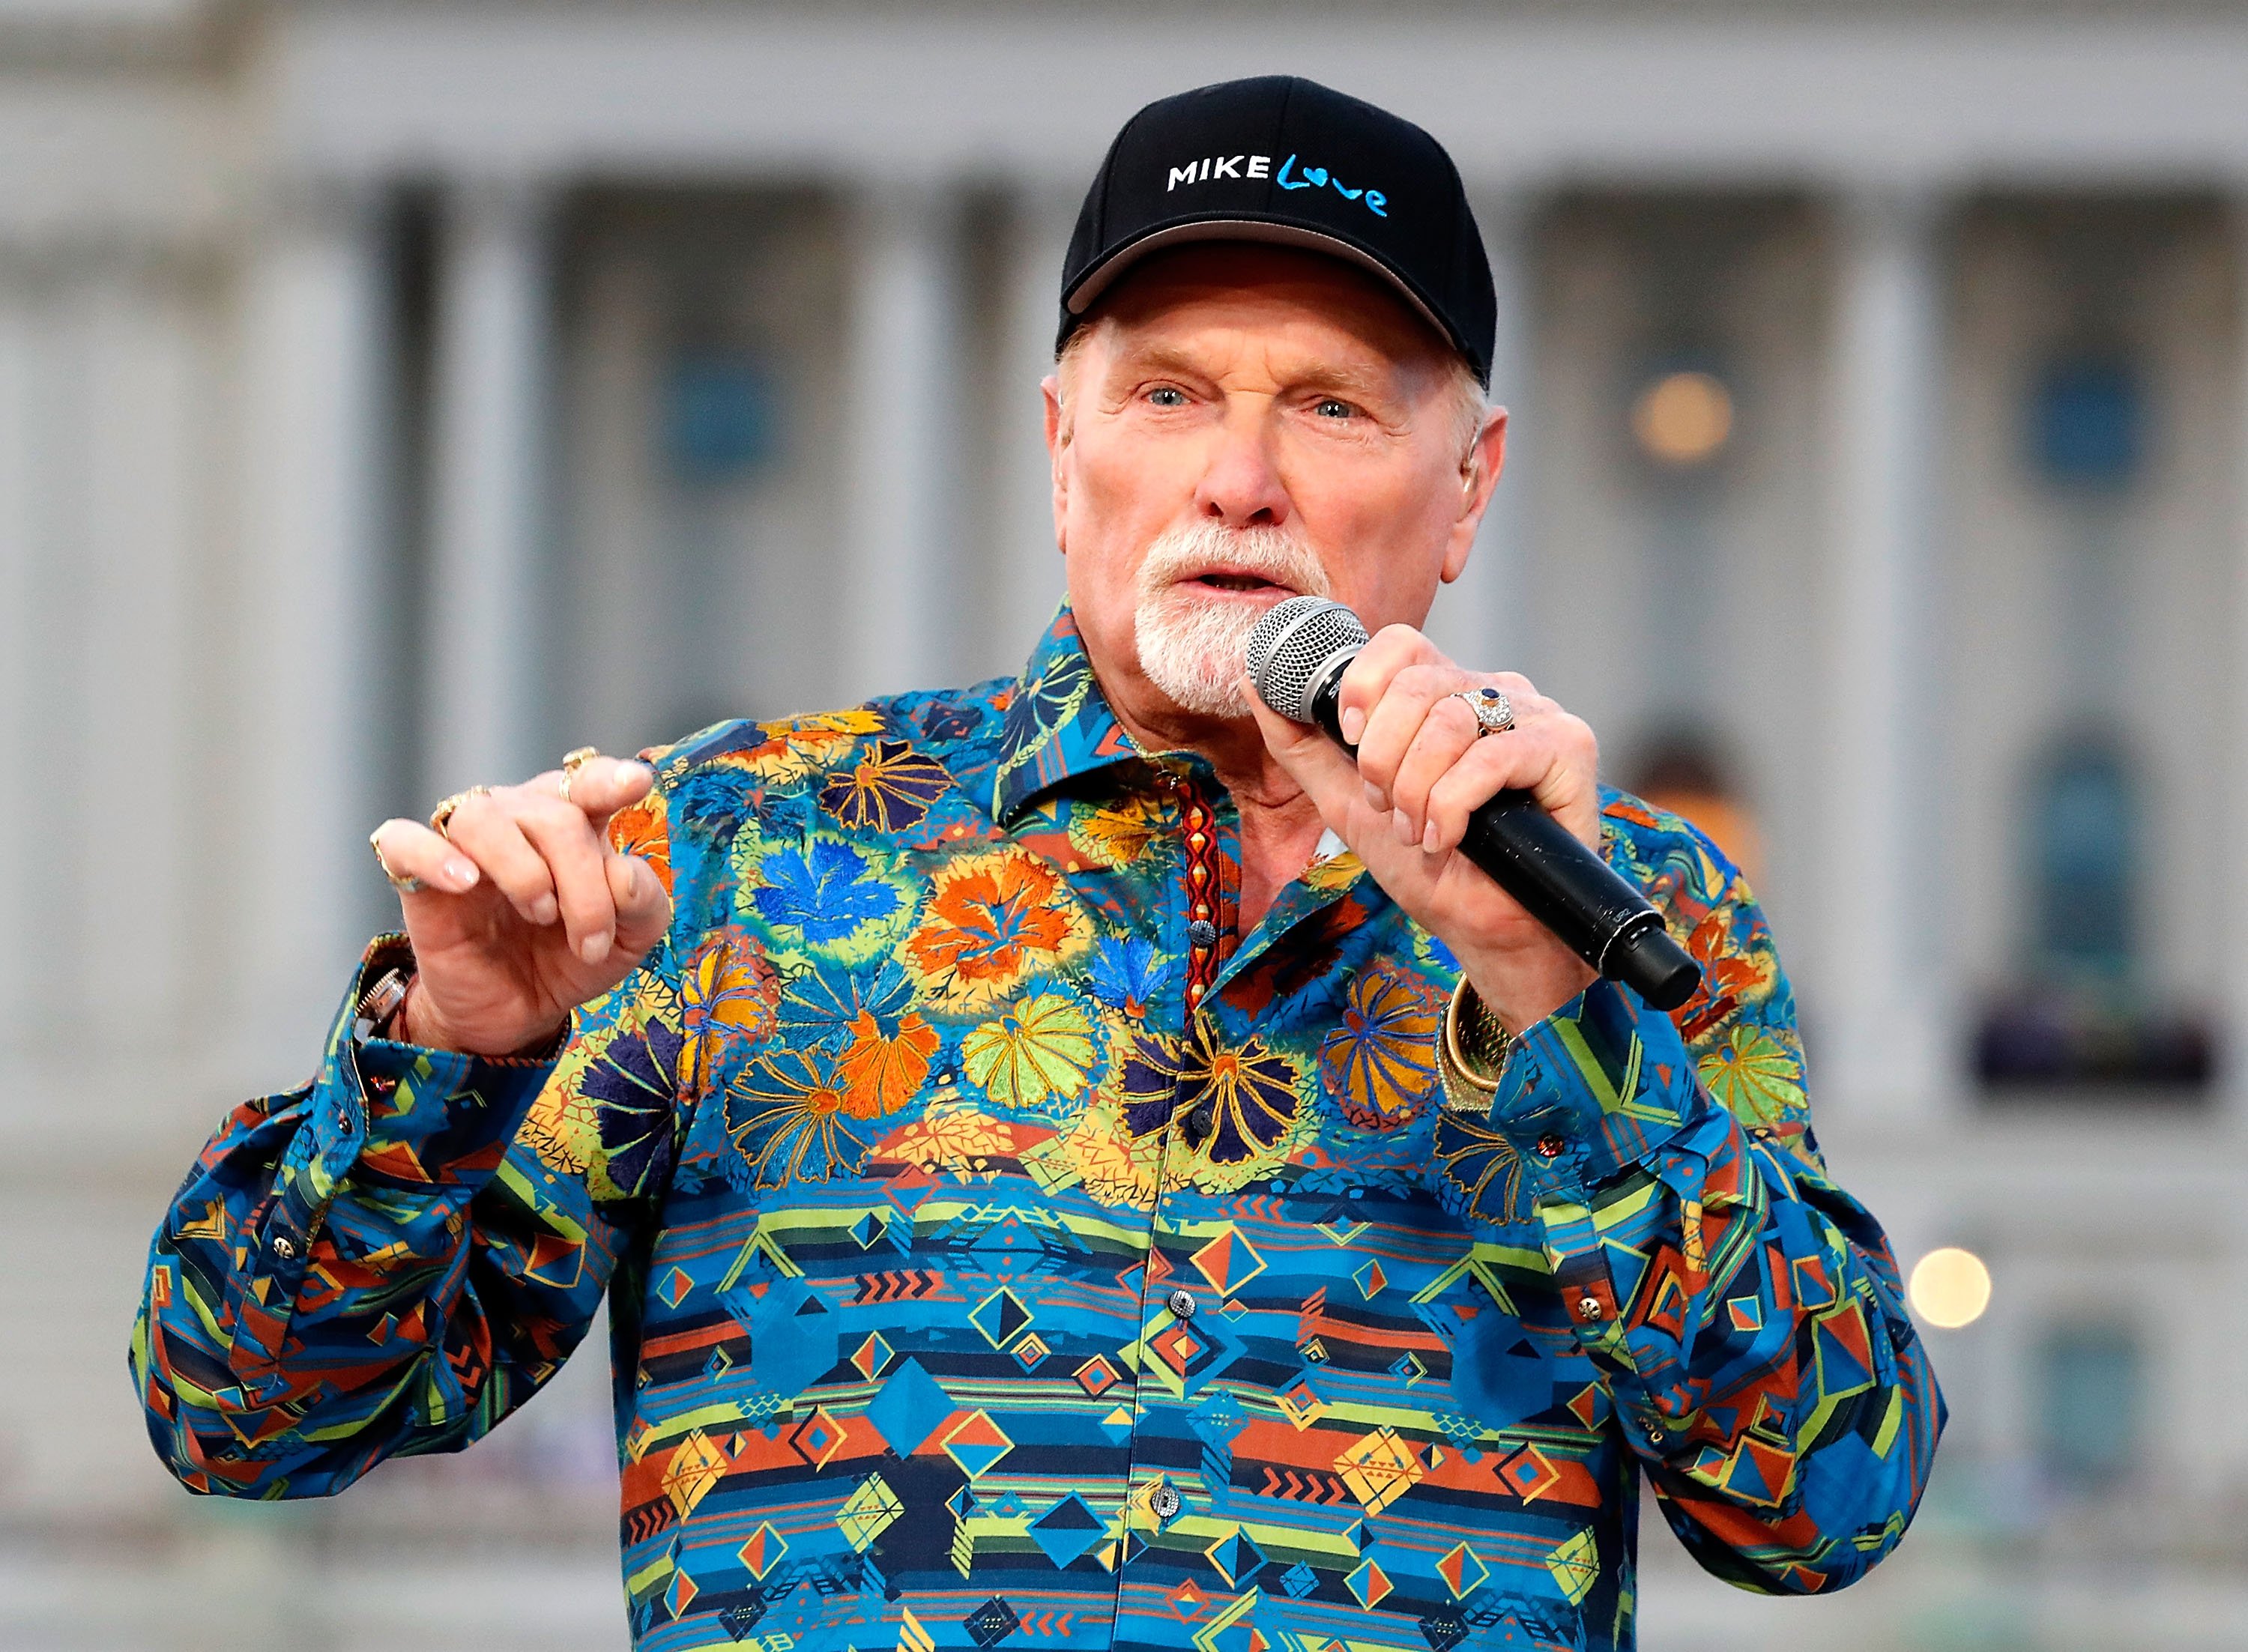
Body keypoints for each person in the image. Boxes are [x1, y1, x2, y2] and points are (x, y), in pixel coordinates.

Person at [133, 76, 1941, 1652]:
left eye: (1330, 407)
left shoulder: (1625, 908)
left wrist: (1550, 1003)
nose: (1237, 478)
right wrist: (451, 1052)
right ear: (1060, 446)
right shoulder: (734, 856)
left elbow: (1825, 1503)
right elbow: (243, 1413)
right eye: (1166, 394)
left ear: (1466, 487)